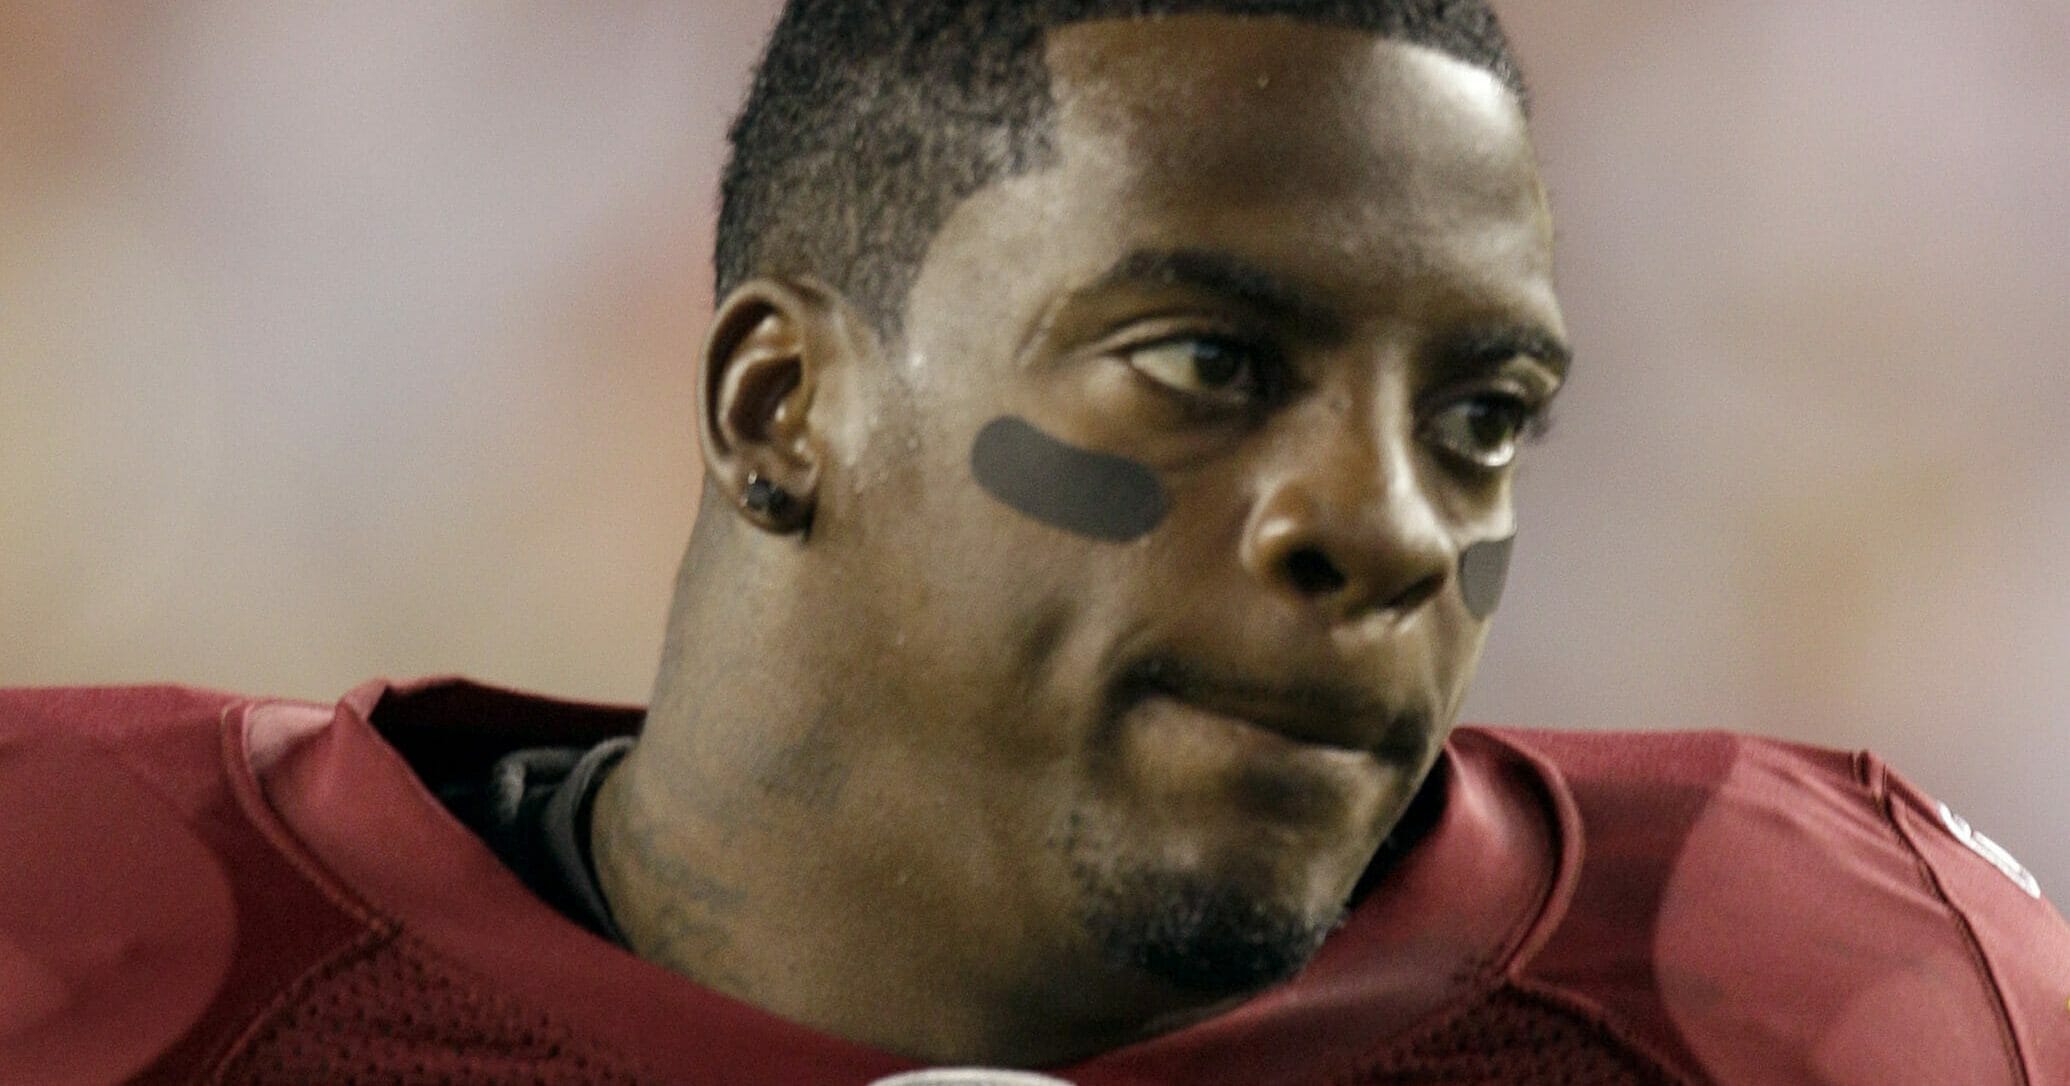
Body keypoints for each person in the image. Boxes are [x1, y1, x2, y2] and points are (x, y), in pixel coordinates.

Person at [3, 1, 2066, 1083]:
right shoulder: (88, 943)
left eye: (1482, 419)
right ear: (775, 408)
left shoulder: (1811, 1000)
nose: (1387, 527)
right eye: (1202, 361)